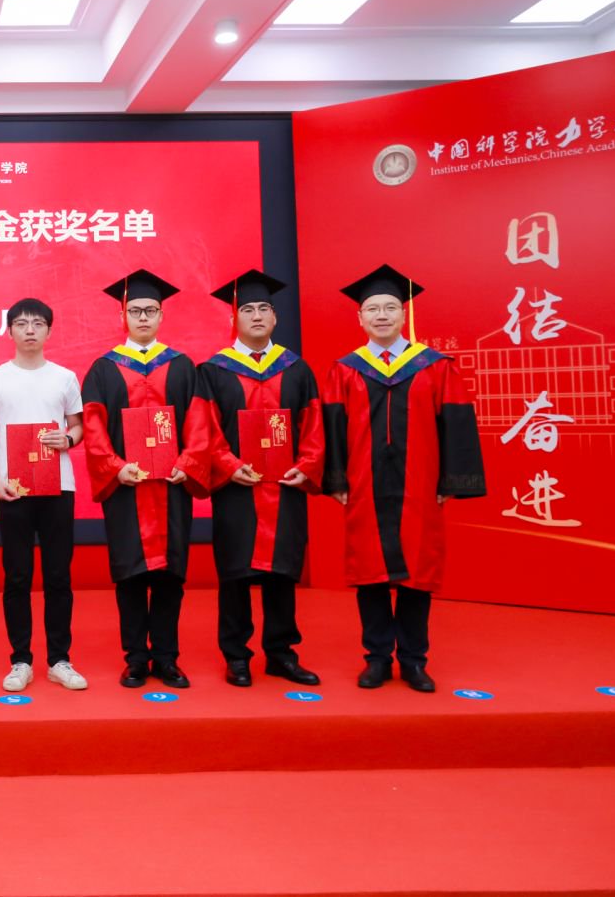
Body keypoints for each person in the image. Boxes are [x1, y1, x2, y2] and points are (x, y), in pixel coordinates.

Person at [322, 264, 487, 692]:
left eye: (390, 307)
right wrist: (336, 479)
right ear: (359, 317)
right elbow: (332, 427)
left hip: (419, 484)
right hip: (364, 485)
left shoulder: (435, 366)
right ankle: (377, 659)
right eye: (372, 309)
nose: (381, 315)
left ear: (404, 314)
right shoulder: (345, 370)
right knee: (370, 571)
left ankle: (414, 660)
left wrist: (451, 481)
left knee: (417, 570)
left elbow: (456, 423)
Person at [81, 269, 211, 690]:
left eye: (150, 311)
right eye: (135, 310)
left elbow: (199, 422)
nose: (142, 317)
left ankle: (167, 658)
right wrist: (115, 466)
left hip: (171, 487)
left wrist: (188, 462)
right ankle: (136, 658)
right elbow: (94, 426)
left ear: (161, 316)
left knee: (170, 575)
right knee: (131, 575)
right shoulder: (104, 369)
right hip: (127, 488)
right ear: (123, 315)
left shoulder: (182, 366)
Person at [197, 270, 324, 688]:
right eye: (247, 309)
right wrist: (229, 465)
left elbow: (313, 424)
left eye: (263, 308)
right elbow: (205, 427)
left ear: (274, 317)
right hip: (237, 488)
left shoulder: (297, 368)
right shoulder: (213, 370)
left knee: (281, 573)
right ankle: (236, 656)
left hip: (284, 485)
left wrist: (307, 464)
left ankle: (281, 654)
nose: (256, 315)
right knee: (235, 574)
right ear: (234, 318)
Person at [0, 297, 87, 692]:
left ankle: (59, 660)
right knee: (18, 576)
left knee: (58, 575)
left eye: (37, 323)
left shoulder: (65, 377)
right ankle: (20, 660)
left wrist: (67, 439)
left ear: (49, 330)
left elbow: (78, 425)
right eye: (21, 323)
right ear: (9, 331)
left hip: (59, 487)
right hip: (13, 489)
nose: (29, 330)